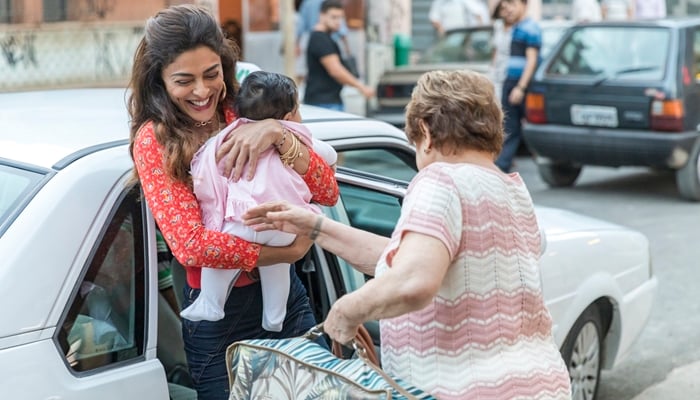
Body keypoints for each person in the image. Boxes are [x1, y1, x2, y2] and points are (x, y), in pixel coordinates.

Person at [244, 69, 572, 400]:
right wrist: (314, 226)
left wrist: (347, 311)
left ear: (426, 132)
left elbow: (415, 279)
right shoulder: (512, 190)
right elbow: (405, 261)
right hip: (541, 384)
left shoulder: (440, 180)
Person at [127, 5, 339, 400]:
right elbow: (190, 244)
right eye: (183, 80)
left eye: (212, 74)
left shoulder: (247, 108)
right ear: (159, 80)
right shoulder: (155, 140)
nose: (203, 91)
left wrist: (279, 133)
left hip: (286, 302)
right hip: (220, 320)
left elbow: (326, 190)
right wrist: (284, 251)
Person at [180, 70, 337, 331]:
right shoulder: (298, 137)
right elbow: (328, 157)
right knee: (279, 271)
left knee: (216, 267)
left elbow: (203, 166)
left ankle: (211, 302)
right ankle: (275, 318)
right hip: (284, 224)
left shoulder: (227, 137)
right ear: (288, 116)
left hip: (242, 221)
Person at [495, 0, 541, 173]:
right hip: (509, 82)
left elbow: (532, 60)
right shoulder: (512, 28)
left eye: (512, 4)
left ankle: (502, 167)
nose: (509, 10)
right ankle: (502, 166)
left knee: (516, 128)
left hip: (520, 85)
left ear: (524, 5)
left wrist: (521, 87)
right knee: (509, 126)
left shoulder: (531, 28)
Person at [304, 0, 374, 111]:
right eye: (333, 17)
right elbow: (336, 70)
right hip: (324, 103)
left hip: (327, 100)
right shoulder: (320, 39)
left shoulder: (326, 38)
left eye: (340, 17)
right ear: (321, 15)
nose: (338, 21)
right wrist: (362, 87)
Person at [295, 0, 351, 84]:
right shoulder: (310, 3)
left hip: (321, 39)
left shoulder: (309, 3)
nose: (337, 21)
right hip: (322, 40)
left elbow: (301, 26)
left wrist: (297, 43)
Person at [489, 0, 513, 102]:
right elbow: (495, 50)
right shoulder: (498, 26)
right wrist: (493, 68)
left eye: (507, 8)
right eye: (502, 9)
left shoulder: (517, 27)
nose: (505, 11)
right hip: (498, 69)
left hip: (510, 69)